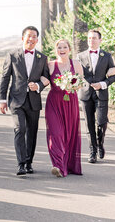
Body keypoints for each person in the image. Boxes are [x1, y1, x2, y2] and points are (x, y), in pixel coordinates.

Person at [0, 26, 50, 176]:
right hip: (16, 100)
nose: (31, 39)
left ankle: (28, 162)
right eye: (29, 36)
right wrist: (2, 100)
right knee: (20, 129)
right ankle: (21, 164)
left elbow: (46, 79)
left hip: (33, 101)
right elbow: (5, 78)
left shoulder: (42, 58)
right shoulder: (12, 55)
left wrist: (38, 86)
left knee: (32, 133)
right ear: (23, 38)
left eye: (34, 36)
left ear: (37, 39)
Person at [77, 29, 115, 163]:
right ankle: (92, 151)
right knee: (89, 124)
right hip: (86, 94)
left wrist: (103, 83)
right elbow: (76, 75)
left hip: (101, 93)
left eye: (94, 38)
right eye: (89, 38)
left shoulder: (107, 56)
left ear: (100, 40)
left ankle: (100, 143)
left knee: (101, 122)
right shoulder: (80, 56)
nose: (91, 40)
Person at [45, 39, 83, 177]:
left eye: (64, 47)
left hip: (70, 102)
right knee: (56, 133)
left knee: (69, 134)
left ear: (69, 49)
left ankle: (68, 165)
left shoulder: (76, 64)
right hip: (54, 103)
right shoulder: (50, 65)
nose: (62, 49)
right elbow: (43, 79)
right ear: (56, 50)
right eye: (59, 47)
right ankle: (58, 166)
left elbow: (81, 82)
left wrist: (71, 85)